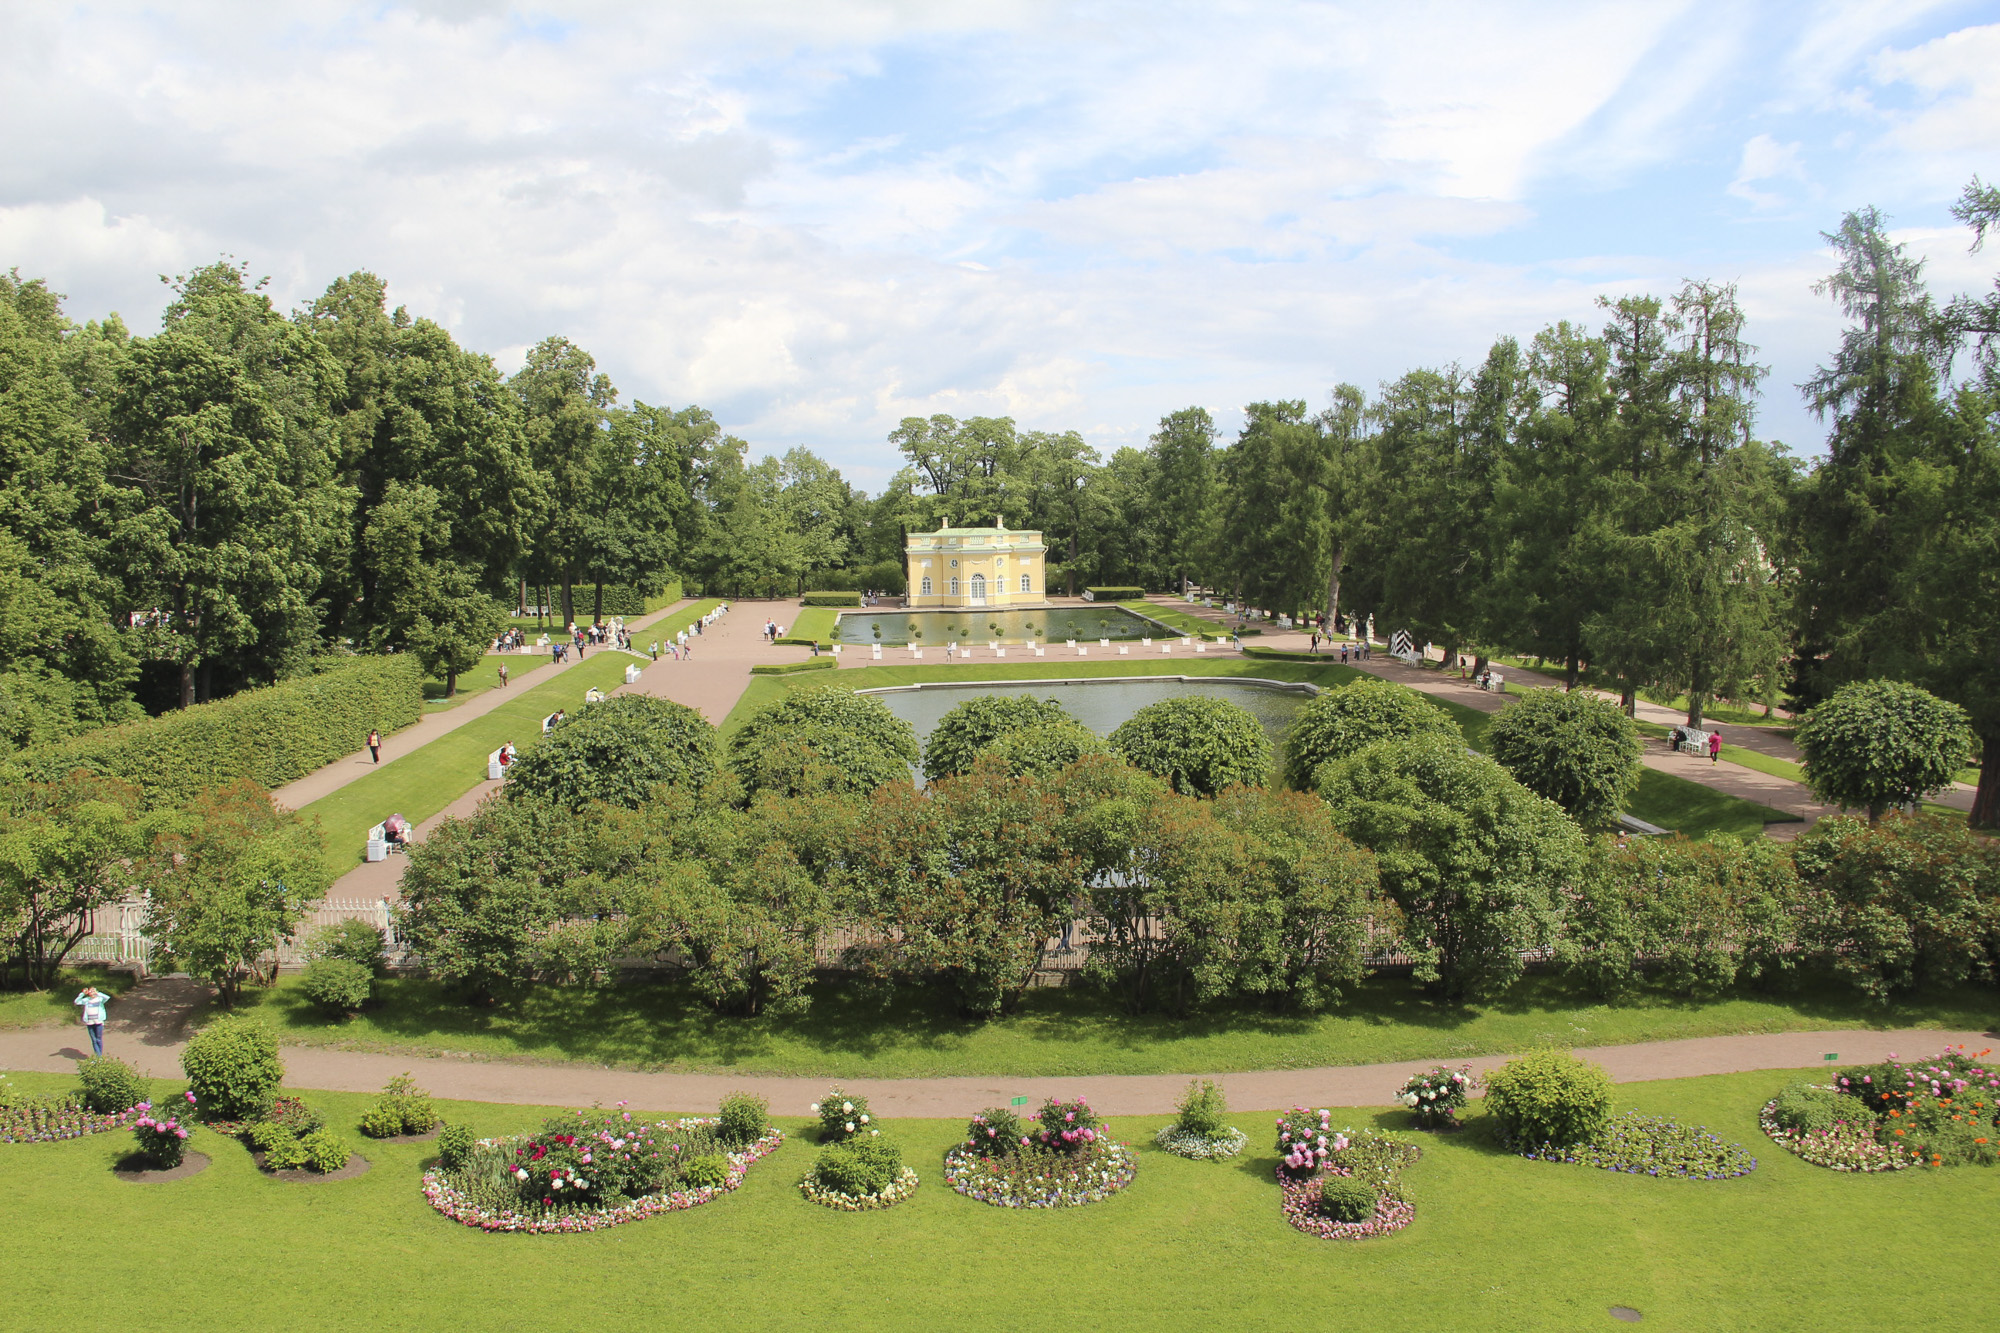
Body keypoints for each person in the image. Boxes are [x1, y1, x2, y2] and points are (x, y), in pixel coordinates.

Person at [74, 985, 110, 1056]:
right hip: (90, 1023)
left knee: (98, 1039)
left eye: (93, 990)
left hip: (98, 1022)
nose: (92, 992)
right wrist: (83, 994)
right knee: (93, 1040)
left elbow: (107, 997)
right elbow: (76, 1002)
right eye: (90, 991)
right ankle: (98, 1057)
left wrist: (98, 993)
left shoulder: (100, 999)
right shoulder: (87, 1000)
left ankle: (99, 1056)